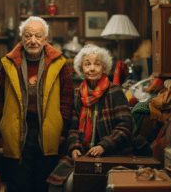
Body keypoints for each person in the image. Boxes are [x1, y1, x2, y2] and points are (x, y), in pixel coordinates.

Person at [0, 16, 74, 192]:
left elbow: (67, 99)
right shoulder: (8, 63)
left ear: (45, 39)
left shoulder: (60, 64)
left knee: (43, 185)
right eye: (28, 36)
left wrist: (63, 130)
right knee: (19, 186)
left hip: (49, 133)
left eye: (37, 36)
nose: (32, 40)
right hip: (16, 132)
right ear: (21, 38)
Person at [47, 44, 135, 192]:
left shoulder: (115, 91)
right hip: (83, 153)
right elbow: (73, 128)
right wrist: (74, 147)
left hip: (113, 152)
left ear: (104, 68)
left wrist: (103, 146)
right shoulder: (77, 94)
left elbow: (126, 126)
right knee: (55, 185)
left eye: (97, 64)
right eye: (87, 64)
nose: (92, 68)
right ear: (81, 70)